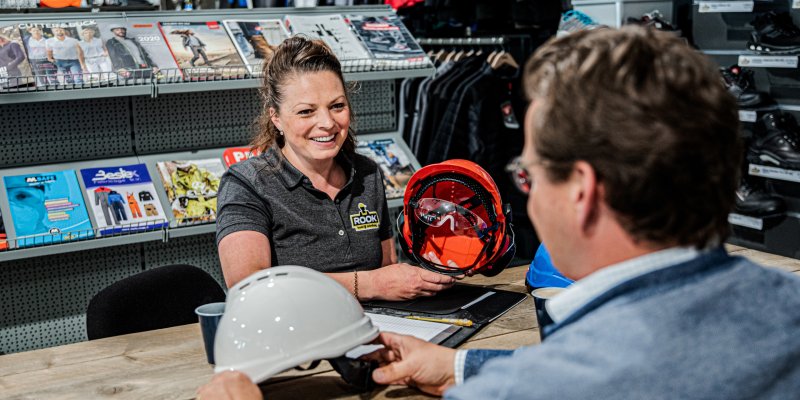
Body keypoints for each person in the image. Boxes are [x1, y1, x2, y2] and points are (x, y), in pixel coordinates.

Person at [202, 25, 800, 399]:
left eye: (529, 172)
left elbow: (560, 381)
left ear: (582, 192)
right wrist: (460, 370)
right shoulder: (786, 308)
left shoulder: (579, 371)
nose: (527, 194)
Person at [216, 36, 455, 301]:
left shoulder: (367, 173)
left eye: (337, 106)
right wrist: (371, 284)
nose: (327, 123)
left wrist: (429, 273)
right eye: (306, 111)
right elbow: (248, 284)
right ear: (276, 118)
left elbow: (387, 270)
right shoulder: (246, 184)